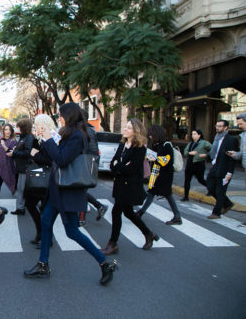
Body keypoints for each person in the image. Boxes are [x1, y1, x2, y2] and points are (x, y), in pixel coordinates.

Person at [24, 103, 117, 285]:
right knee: (45, 221)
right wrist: (48, 140)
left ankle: (105, 262)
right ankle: (43, 264)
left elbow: (61, 159)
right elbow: (55, 156)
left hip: (69, 189)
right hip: (57, 188)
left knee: (72, 231)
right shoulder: (68, 132)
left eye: (61, 115)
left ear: (70, 116)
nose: (59, 118)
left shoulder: (78, 136)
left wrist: (49, 140)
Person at [101, 119, 159, 255]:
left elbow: (131, 169)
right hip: (120, 184)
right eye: (125, 127)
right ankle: (149, 234)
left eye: (128, 128)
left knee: (116, 212)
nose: (125, 129)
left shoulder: (140, 148)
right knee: (128, 212)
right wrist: (119, 166)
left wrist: (118, 166)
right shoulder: (122, 144)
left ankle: (112, 244)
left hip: (130, 186)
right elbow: (112, 165)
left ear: (136, 131)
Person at [136, 125, 182, 225]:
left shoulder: (167, 145)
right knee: (162, 194)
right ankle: (177, 216)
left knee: (154, 193)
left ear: (156, 134)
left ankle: (140, 213)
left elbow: (167, 159)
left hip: (164, 175)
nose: (150, 137)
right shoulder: (157, 145)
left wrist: (155, 159)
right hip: (157, 174)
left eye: (152, 135)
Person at [27, 114, 54, 246]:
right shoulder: (38, 138)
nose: (35, 127)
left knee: (45, 209)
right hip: (38, 177)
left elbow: (50, 160)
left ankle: (46, 238)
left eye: (37, 125)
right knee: (30, 204)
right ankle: (40, 233)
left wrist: (35, 154)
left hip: (47, 178)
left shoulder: (51, 138)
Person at [78, 108, 107, 226]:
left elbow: (87, 149)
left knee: (81, 190)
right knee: (81, 190)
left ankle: (82, 217)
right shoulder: (90, 129)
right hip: (89, 162)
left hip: (84, 163)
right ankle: (99, 206)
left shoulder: (83, 130)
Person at [205, 120, 239, 219]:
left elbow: (232, 157)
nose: (217, 128)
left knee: (220, 191)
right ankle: (227, 203)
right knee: (210, 186)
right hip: (215, 166)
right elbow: (214, 153)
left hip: (224, 168)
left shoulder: (231, 139)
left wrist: (230, 172)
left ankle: (216, 213)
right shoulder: (216, 138)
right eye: (217, 126)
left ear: (225, 128)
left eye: (220, 126)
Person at [9, 118, 34, 215]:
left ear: (23, 127)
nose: (16, 128)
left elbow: (28, 152)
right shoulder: (24, 137)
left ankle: (21, 208)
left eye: (18, 126)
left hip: (25, 167)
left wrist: (14, 152)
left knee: (21, 188)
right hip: (21, 167)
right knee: (21, 188)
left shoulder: (28, 137)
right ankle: (21, 207)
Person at [0, 124, 17, 208]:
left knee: (14, 182)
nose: (8, 131)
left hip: (10, 165)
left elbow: (11, 153)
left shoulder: (14, 141)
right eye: (6, 129)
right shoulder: (0, 139)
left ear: (11, 131)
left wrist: (4, 145)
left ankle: (21, 203)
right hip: (0, 165)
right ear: (3, 131)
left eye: (9, 129)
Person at [181, 129, 212, 201]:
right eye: (192, 134)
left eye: (195, 134)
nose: (193, 135)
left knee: (200, 179)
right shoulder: (190, 143)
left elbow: (213, 149)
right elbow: (185, 152)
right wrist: (189, 153)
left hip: (199, 164)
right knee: (187, 180)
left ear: (199, 135)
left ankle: (211, 189)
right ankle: (186, 196)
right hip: (190, 163)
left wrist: (206, 155)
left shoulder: (204, 143)